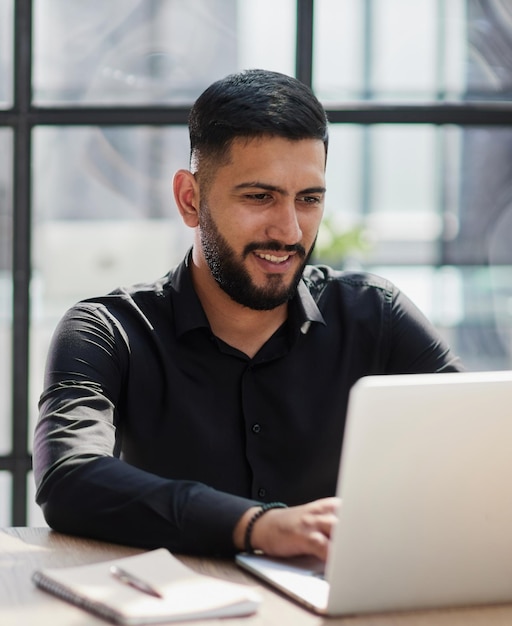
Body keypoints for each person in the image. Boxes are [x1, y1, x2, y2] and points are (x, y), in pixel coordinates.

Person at [33, 69, 463, 560]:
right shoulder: (107, 331)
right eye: (260, 197)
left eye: (309, 200)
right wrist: (254, 526)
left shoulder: (375, 315)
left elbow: (481, 443)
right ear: (190, 199)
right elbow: (68, 476)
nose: (289, 231)